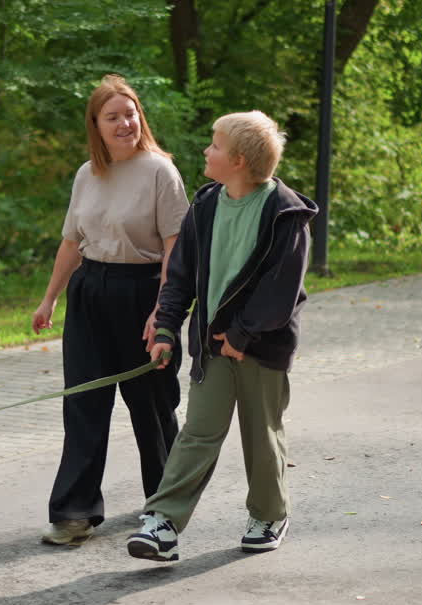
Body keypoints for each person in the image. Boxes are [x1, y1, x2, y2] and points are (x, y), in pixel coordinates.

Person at [125, 110, 317, 562]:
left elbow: (281, 290)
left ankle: (269, 514)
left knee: (261, 433)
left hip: (260, 348)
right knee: (197, 432)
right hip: (213, 349)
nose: (205, 151)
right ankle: (163, 523)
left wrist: (243, 336)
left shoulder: (284, 215)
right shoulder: (207, 204)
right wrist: (168, 325)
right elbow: (182, 274)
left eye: (214, 145)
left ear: (241, 161)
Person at [31, 74, 189, 546]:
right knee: (83, 402)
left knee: (152, 406)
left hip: (143, 291)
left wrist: (162, 313)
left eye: (131, 112)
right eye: (113, 117)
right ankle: (74, 513)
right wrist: (50, 296)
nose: (126, 123)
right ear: (96, 126)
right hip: (90, 293)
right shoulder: (87, 173)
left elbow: (175, 248)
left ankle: (165, 505)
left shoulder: (161, 172)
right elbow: (71, 241)